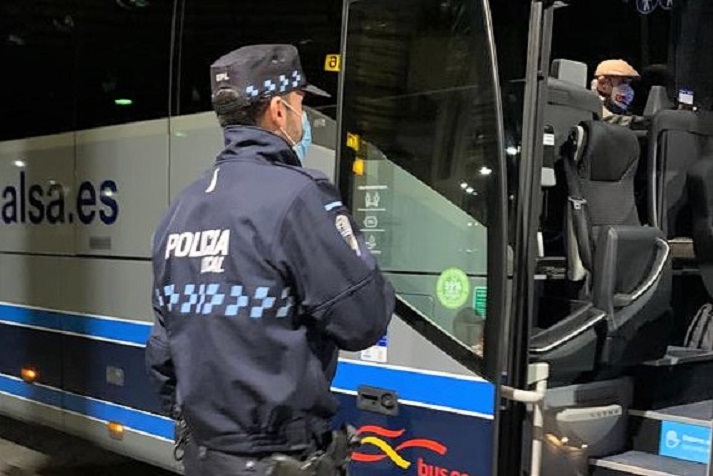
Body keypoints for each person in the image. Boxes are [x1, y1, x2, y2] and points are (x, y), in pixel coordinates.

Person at [145, 44, 395, 476]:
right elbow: (363, 320)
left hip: (204, 458)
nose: (305, 117)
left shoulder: (180, 210)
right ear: (279, 111)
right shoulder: (300, 197)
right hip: (279, 459)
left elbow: (163, 351)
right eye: (300, 102)